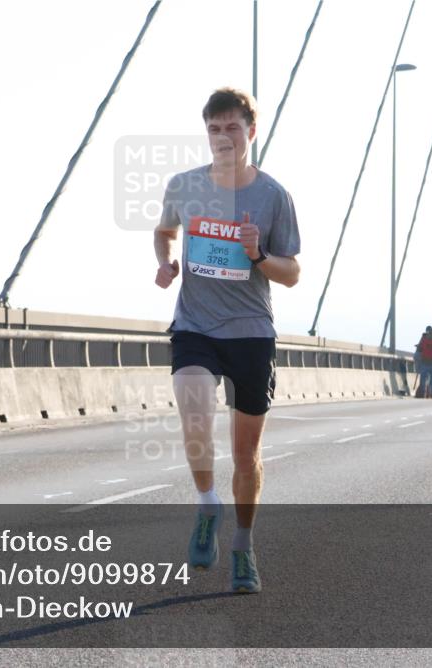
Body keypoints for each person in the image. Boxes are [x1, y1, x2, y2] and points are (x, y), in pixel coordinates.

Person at [153, 87, 301, 594]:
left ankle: (243, 545)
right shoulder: (184, 185)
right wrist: (164, 262)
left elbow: (293, 273)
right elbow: (164, 231)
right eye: (214, 129)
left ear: (250, 132)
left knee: (246, 455)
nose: (223, 137)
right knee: (195, 420)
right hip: (195, 324)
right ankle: (206, 501)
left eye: (232, 127)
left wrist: (259, 256)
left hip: (251, 334)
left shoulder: (273, 196)